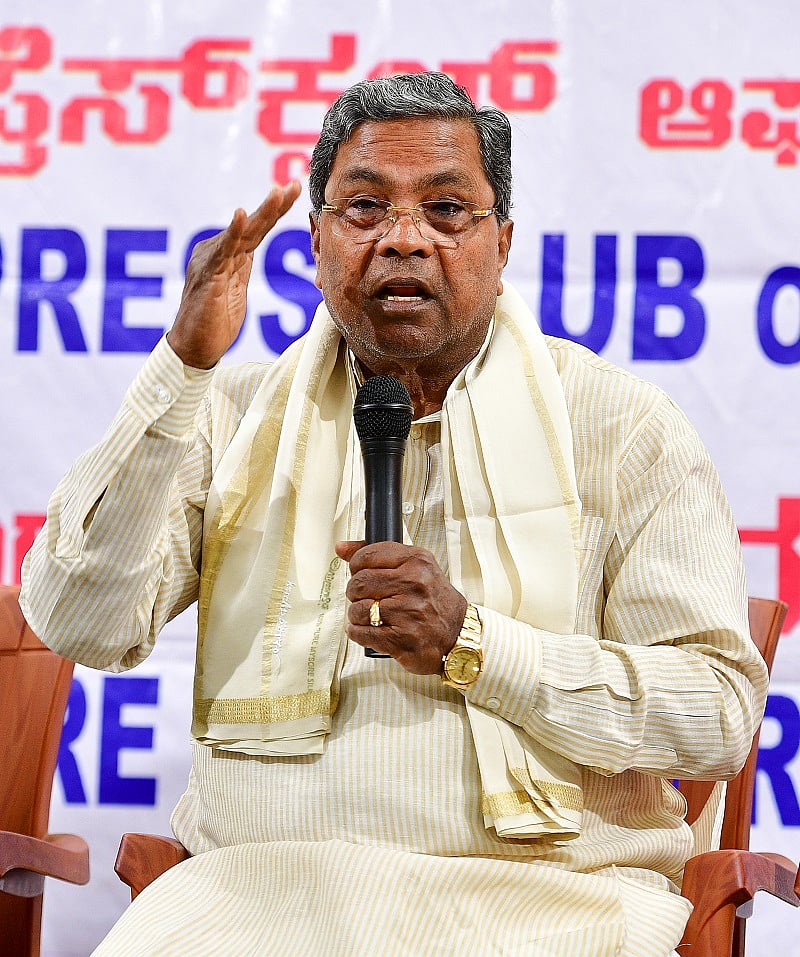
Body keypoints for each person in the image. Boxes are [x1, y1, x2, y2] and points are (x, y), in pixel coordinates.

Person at [21, 72, 767, 957]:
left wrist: (476, 644)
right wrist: (181, 369)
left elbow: (717, 714)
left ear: (504, 243)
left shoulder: (621, 428)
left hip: (550, 903)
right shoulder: (233, 417)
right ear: (315, 240)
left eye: (447, 210)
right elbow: (78, 623)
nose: (403, 240)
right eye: (365, 208)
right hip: (256, 895)